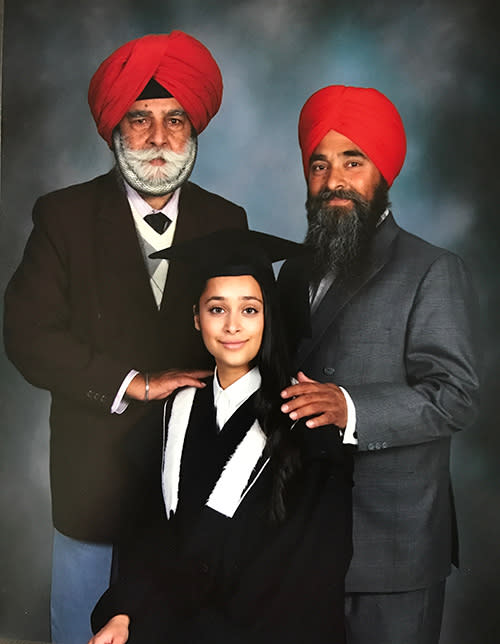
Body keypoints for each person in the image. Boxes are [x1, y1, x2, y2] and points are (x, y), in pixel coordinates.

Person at [3, 31, 247, 644]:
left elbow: (249, 344)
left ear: (194, 131)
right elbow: (27, 333)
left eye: (174, 120)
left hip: (194, 495)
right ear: (115, 129)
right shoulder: (61, 216)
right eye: (140, 120)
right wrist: (131, 383)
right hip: (94, 491)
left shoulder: (227, 221)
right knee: (85, 634)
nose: (159, 139)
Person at [278, 85, 480, 644]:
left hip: (392, 549)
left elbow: (455, 395)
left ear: (382, 172)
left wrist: (351, 407)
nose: (334, 180)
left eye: (352, 161)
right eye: (319, 165)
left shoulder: (433, 269)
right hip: (300, 541)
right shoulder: (293, 271)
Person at [88, 229, 353, 644]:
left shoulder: (307, 429)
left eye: (249, 310)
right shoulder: (166, 420)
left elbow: (307, 580)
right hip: (167, 627)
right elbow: (145, 538)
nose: (232, 326)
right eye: (217, 309)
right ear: (196, 318)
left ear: (269, 317)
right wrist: (123, 611)